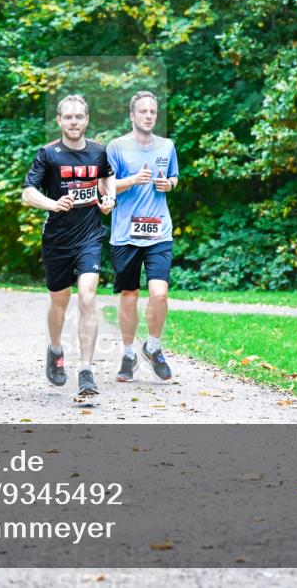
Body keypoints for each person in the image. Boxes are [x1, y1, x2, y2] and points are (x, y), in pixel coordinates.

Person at [21, 94, 115, 397]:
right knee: (59, 301)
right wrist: (54, 203)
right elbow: (27, 193)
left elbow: (107, 178)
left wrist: (109, 198)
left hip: (89, 235)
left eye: (79, 117)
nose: (74, 122)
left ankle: (86, 370)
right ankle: (56, 348)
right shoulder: (48, 154)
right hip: (57, 240)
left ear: (86, 119)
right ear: (59, 120)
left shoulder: (98, 152)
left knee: (87, 298)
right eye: (68, 117)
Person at [107, 90, 179, 382]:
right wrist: (133, 180)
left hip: (159, 232)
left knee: (159, 293)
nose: (149, 116)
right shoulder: (116, 147)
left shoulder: (167, 146)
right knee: (128, 295)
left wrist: (168, 185)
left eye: (153, 112)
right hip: (125, 234)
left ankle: (153, 347)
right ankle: (127, 354)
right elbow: (105, 188)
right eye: (143, 111)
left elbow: (174, 177)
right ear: (132, 115)